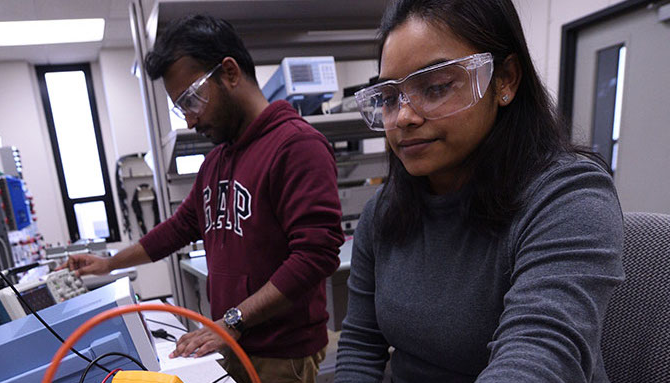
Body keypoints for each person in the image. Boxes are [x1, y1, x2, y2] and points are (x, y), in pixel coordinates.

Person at [333, 0, 624, 382]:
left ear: (504, 80)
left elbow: (536, 363)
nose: (403, 116)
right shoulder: (384, 212)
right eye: (389, 98)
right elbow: (360, 345)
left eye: (435, 87)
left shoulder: (568, 199)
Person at [63, 14, 344, 383]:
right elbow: (180, 228)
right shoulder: (217, 160)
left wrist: (232, 321)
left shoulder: (296, 146)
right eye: (182, 108)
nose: (191, 121)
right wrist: (109, 263)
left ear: (229, 72)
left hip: (280, 353)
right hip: (233, 339)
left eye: (192, 99)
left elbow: (315, 256)